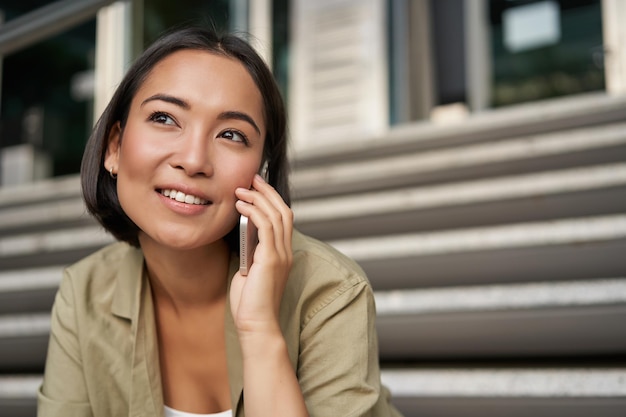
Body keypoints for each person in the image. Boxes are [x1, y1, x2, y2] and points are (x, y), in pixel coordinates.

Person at [37, 26, 403, 417]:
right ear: (114, 147)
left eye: (231, 134)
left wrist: (260, 329)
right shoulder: (85, 293)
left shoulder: (329, 292)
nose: (193, 160)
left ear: (259, 173)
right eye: (164, 118)